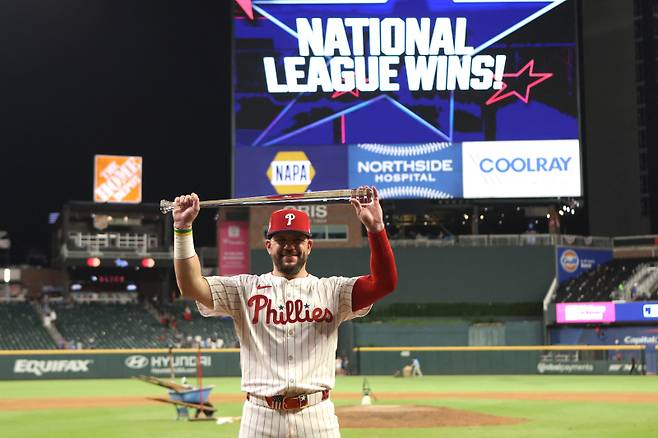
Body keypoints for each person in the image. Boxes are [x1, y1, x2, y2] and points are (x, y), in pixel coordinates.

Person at [172, 187, 397, 437]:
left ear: (309, 245)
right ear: (268, 245)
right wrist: (182, 229)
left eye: (297, 240)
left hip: (317, 416)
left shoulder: (334, 291)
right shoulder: (243, 289)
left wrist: (376, 228)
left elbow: (384, 283)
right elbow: (190, 285)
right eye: (282, 240)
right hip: (259, 417)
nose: (290, 246)